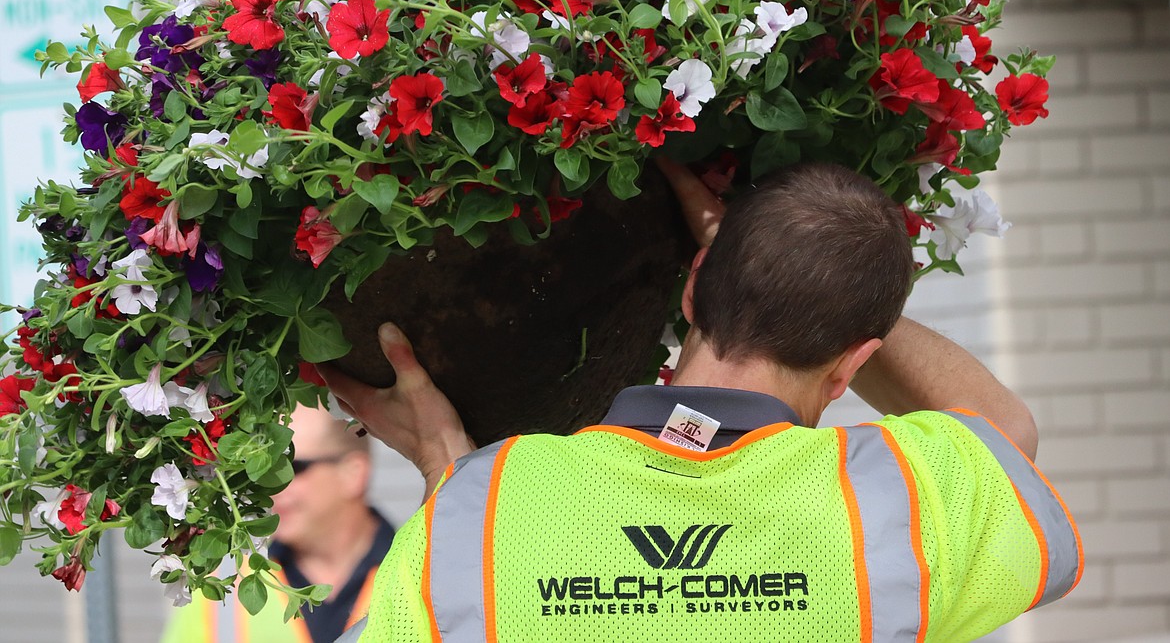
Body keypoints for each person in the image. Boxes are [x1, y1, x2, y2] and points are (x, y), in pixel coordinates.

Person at [322, 161, 1082, 642]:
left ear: (691, 290)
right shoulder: (894, 506)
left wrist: (440, 478)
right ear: (853, 365)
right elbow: (1003, 429)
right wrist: (829, 289)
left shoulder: (486, 506)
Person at [161, 403, 395, 643]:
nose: (272, 487)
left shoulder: (421, 572)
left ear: (353, 473)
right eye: (265, 470)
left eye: (292, 468)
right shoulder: (219, 585)